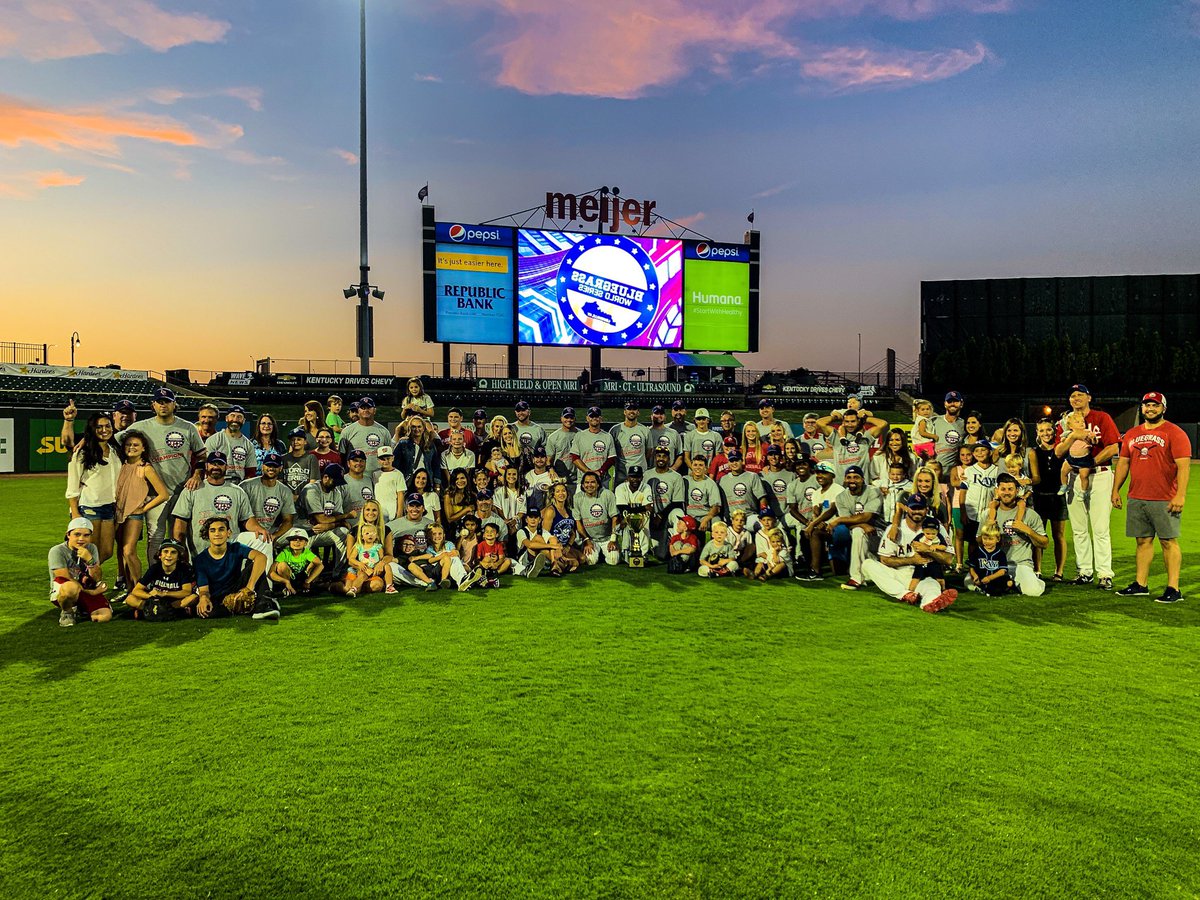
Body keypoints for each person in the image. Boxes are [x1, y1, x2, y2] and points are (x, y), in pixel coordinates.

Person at [1112, 391, 1191, 603]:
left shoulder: (1175, 432)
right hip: (1137, 497)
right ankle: (1141, 584)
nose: (1150, 409)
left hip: (1165, 498)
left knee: (1168, 542)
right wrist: (1115, 490)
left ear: (1163, 408)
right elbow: (1123, 463)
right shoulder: (1131, 433)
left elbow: (1184, 466)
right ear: (1142, 408)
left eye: (1155, 405)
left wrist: (1180, 495)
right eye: (1147, 405)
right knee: (1143, 541)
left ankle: (1173, 588)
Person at [118, 387, 204, 562]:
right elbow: (113, 440)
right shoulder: (141, 427)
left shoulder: (188, 428)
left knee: (180, 538)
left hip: (182, 492)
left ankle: (180, 576)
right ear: (153, 405)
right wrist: (85, 439)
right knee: (155, 538)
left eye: (167, 401)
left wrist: (196, 475)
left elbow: (202, 455)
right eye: (160, 402)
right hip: (153, 494)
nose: (163, 405)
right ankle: (155, 577)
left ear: (174, 404)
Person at [1055, 384, 1121, 589]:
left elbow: (1113, 446)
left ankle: (1104, 573)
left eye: (1080, 395)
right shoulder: (1064, 422)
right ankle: (1084, 571)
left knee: (1100, 528)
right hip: (1073, 475)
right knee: (1078, 528)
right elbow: (1058, 452)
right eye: (1072, 395)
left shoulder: (1102, 418)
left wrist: (1091, 462)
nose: (1076, 398)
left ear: (1089, 397)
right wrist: (1073, 436)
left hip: (1099, 475)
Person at [860, 495, 958, 613]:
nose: (917, 511)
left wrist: (928, 550)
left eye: (920, 508)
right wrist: (912, 560)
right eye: (913, 508)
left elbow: (948, 559)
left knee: (932, 586)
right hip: (898, 573)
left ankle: (930, 604)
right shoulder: (895, 528)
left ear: (926, 509)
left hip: (925, 575)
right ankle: (905, 594)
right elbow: (885, 559)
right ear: (907, 509)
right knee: (868, 564)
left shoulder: (936, 527)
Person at [114, 429, 169, 590]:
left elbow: (163, 494)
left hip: (133, 515)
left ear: (143, 448)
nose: (132, 447)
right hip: (117, 514)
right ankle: (130, 588)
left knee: (128, 551)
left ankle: (139, 587)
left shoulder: (145, 468)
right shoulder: (120, 465)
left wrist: (143, 508)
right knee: (122, 552)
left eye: (136, 445)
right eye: (128, 444)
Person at [66, 412, 122, 567]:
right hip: (90, 506)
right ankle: (81, 582)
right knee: (90, 549)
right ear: (92, 429)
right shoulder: (82, 452)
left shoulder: (115, 450)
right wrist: (75, 513)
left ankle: (83, 576)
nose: (104, 430)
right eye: (99, 427)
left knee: (106, 551)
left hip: (110, 506)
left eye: (107, 426)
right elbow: (72, 485)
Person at [980, 474, 1048, 597]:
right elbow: (978, 541)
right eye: (1003, 489)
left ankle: (1031, 580)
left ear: (1017, 491)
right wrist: (988, 530)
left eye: (1010, 489)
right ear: (997, 491)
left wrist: (1028, 531)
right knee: (968, 582)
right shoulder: (987, 514)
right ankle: (1010, 584)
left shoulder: (1031, 514)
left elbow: (1044, 543)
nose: (1006, 493)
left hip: (1020, 563)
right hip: (995, 564)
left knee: (1033, 592)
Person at [193, 517, 274, 620]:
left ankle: (264, 605)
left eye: (221, 529)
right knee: (208, 613)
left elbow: (261, 557)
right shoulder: (200, 560)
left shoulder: (236, 548)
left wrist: (249, 588)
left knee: (255, 565)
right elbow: (204, 589)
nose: (217, 533)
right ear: (208, 534)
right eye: (212, 530)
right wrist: (203, 598)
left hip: (237, 588)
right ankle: (250, 605)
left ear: (229, 533)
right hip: (219, 598)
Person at [48, 517, 112, 627]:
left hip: (85, 588)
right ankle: (67, 612)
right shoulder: (57, 551)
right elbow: (65, 577)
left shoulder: (91, 548)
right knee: (71, 588)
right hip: (65, 590)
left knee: (104, 617)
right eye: (77, 534)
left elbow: (97, 578)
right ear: (68, 535)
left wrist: (90, 560)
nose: (81, 539)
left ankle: (81, 608)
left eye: (86, 535)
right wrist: (93, 593)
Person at [1028, 418, 1067, 581]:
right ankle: (1037, 570)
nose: (1045, 433)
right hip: (1039, 497)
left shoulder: (1062, 450)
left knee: (1059, 535)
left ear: (1054, 430)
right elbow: (1036, 477)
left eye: (1049, 429)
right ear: (1037, 432)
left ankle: (1059, 572)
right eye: (1041, 430)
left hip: (1058, 497)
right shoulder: (1033, 452)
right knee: (1038, 535)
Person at [125, 538, 198, 619]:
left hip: (173, 602)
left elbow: (186, 592)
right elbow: (136, 590)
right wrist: (150, 596)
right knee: (130, 599)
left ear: (178, 557)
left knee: (193, 598)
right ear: (160, 555)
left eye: (173, 552)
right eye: (165, 551)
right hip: (154, 600)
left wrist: (164, 594)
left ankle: (149, 612)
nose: (169, 555)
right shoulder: (155, 568)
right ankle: (174, 613)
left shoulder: (183, 569)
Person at [240, 452, 297, 549]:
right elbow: (240, 517)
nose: (271, 468)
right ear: (262, 467)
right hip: (247, 531)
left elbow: (288, 520)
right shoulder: (246, 486)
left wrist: (275, 535)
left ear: (280, 468)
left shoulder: (285, 491)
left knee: (300, 534)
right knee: (263, 541)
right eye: (268, 465)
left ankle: (291, 562)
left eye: (275, 466)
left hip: (271, 531)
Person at [574, 471, 619, 566]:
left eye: (592, 482)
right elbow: (577, 522)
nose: (589, 485)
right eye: (586, 482)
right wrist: (586, 540)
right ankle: (598, 553)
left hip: (607, 538)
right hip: (590, 539)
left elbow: (615, 517)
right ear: (582, 485)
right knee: (590, 561)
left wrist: (613, 539)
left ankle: (604, 552)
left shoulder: (607, 494)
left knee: (613, 560)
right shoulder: (577, 498)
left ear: (598, 484)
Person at [204, 405, 257, 484]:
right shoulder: (214, 440)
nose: (235, 419)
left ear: (243, 421)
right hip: (218, 482)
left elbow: (251, 471)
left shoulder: (248, 445)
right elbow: (207, 466)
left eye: (239, 417)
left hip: (240, 484)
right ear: (226, 418)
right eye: (232, 416)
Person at [339, 396, 391, 474]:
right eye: (363, 408)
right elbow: (341, 456)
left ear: (374, 410)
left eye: (369, 408)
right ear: (358, 410)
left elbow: (388, 456)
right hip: (355, 477)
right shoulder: (347, 431)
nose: (366, 410)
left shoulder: (384, 432)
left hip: (379, 477)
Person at [541, 482, 582, 576]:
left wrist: (568, 546)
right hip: (553, 545)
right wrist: (556, 546)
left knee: (582, 558)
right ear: (553, 495)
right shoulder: (551, 510)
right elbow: (545, 533)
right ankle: (555, 564)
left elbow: (572, 533)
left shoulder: (569, 510)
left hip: (564, 546)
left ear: (567, 493)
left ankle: (559, 563)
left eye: (563, 491)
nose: (561, 493)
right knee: (575, 563)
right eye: (558, 491)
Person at [270, 528, 324, 597]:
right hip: (289, 578)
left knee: (315, 563)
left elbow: (320, 565)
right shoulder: (285, 553)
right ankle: (287, 588)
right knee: (281, 565)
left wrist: (308, 580)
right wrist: (285, 581)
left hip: (304, 577)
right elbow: (271, 573)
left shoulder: (307, 552)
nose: (297, 542)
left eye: (300, 540)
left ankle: (311, 586)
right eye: (294, 539)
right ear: (289, 542)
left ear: (306, 543)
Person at [570, 406, 615, 485]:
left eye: (596, 416)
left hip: (602, 479)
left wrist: (600, 471)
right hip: (583, 480)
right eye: (591, 416)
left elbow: (611, 458)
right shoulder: (579, 435)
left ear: (601, 419)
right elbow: (575, 457)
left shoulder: (608, 436)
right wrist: (588, 472)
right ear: (587, 418)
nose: (594, 418)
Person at [1057, 410, 1095, 500]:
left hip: (1084, 459)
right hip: (1071, 459)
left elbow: (1094, 441)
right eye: (1077, 422)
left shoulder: (1087, 432)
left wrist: (1093, 439)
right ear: (1070, 426)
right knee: (1063, 471)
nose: (1081, 424)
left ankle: (1083, 491)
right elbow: (1063, 439)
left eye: (1083, 422)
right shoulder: (1068, 433)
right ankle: (1064, 485)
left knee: (1084, 476)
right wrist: (1064, 440)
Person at [611, 400, 651, 484]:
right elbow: (611, 452)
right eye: (629, 409)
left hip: (641, 473)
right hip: (621, 474)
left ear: (638, 412)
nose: (632, 411)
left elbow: (649, 451)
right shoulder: (615, 430)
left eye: (634, 409)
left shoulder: (645, 430)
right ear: (625, 412)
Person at [908, 518, 949, 597]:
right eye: (928, 533)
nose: (930, 536)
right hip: (922, 562)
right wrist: (918, 548)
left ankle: (943, 592)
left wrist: (935, 546)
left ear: (937, 531)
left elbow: (944, 547)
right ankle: (910, 593)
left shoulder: (939, 537)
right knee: (916, 578)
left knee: (940, 578)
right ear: (923, 530)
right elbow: (913, 543)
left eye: (933, 534)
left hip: (934, 562)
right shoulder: (921, 537)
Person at [968, 523, 1012, 597]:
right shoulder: (977, 551)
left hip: (994, 578)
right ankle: (980, 588)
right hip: (980, 577)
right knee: (967, 582)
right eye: (984, 538)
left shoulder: (1000, 553)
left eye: (990, 539)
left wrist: (989, 578)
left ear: (998, 539)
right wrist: (975, 576)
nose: (987, 541)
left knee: (1009, 582)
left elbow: (1002, 571)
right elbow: (972, 567)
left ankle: (988, 589)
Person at [513, 507, 554, 579]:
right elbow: (529, 545)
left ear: (540, 520)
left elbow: (553, 540)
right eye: (531, 517)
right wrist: (552, 546)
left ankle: (554, 563)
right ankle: (555, 564)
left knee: (552, 540)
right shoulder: (521, 532)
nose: (533, 519)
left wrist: (555, 546)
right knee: (538, 539)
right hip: (525, 560)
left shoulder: (543, 531)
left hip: (540, 556)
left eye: (535, 517)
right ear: (526, 519)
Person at [545, 407, 580, 489]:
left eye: (571, 417)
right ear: (561, 418)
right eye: (566, 417)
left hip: (578, 479)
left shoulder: (581, 435)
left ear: (575, 419)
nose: (569, 420)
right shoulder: (553, 437)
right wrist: (551, 470)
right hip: (560, 480)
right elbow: (548, 459)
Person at [648, 404, 684, 471]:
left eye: (661, 413)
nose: (659, 416)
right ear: (651, 416)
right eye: (656, 413)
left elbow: (680, 455)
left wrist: (673, 469)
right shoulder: (646, 432)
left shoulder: (674, 433)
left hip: (669, 472)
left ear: (665, 417)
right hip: (651, 471)